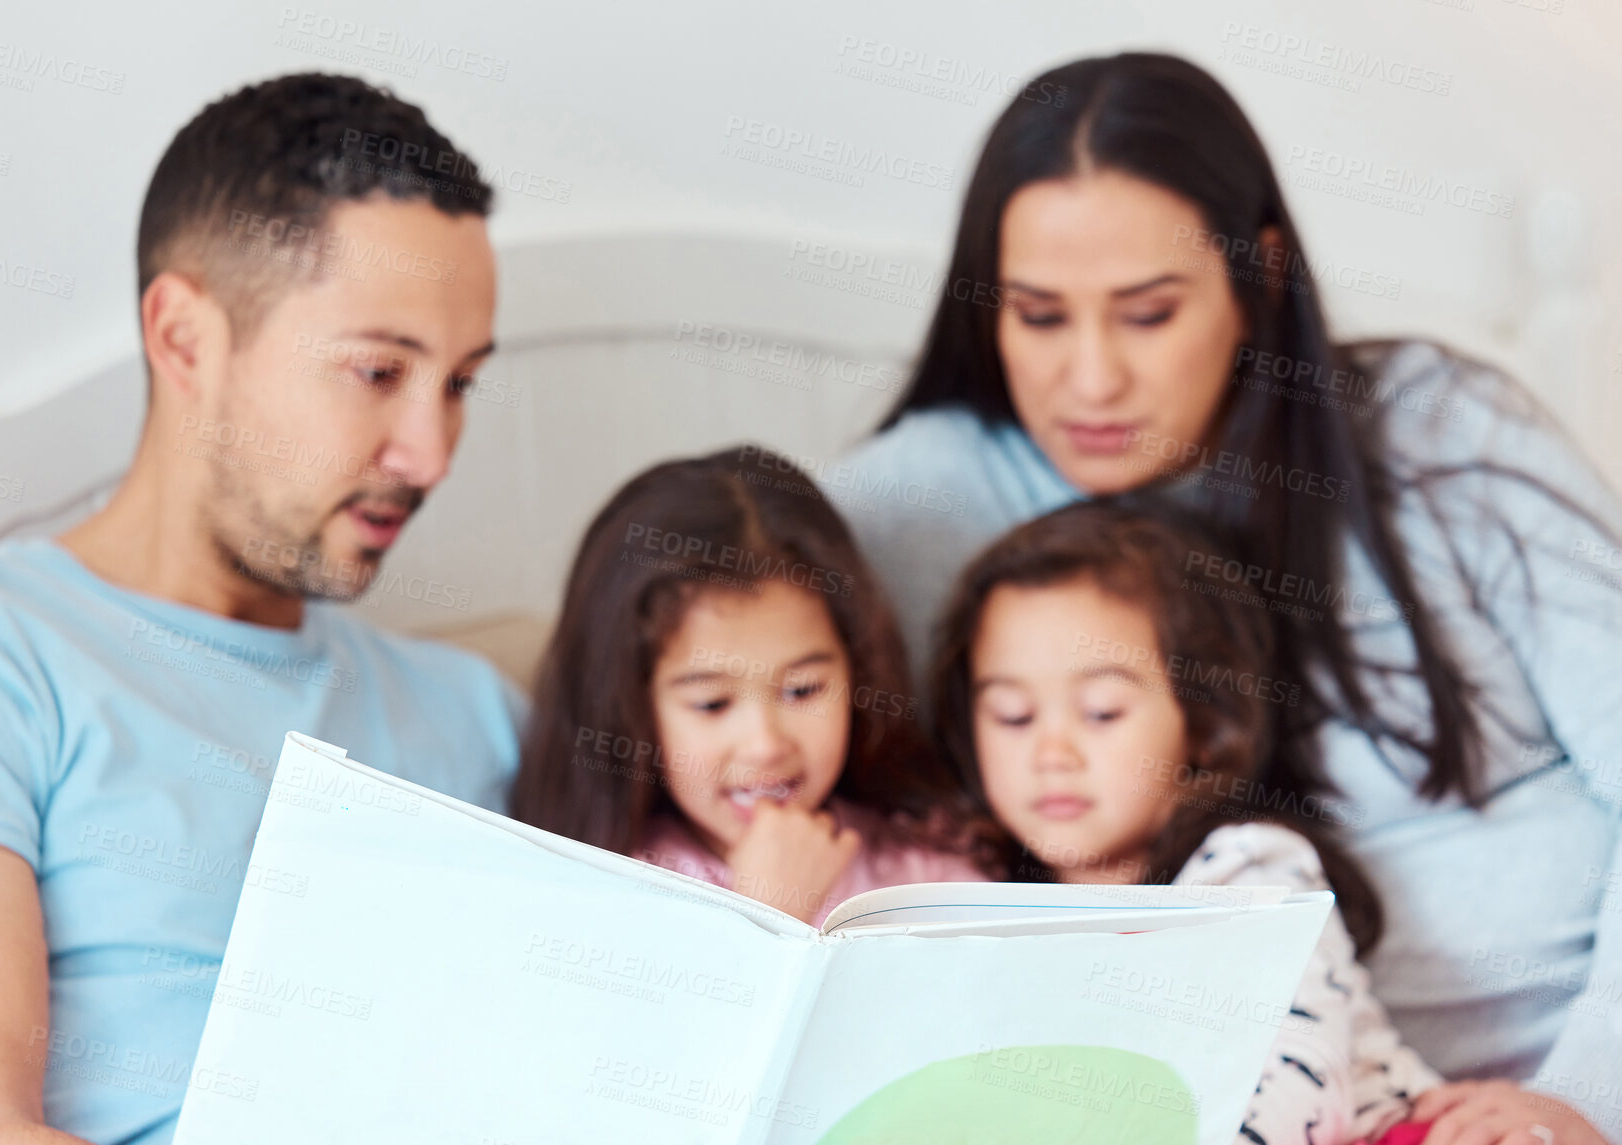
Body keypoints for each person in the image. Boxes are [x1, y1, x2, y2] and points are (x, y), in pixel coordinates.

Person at [827, 51, 1622, 1143]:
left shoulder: (1442, 433)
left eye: (1149, 313)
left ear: (1259, 276)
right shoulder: (921, 505)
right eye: (1039, 316)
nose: (1091, 379)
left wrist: (1585, 1096)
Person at [0, 74, 521, 1145]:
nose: (431, 452)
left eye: (459, 383)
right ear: (185, 338)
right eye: (377, 371)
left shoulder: (483, 715)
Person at [930, 500, 1441, 1145]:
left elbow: (1291, 1095)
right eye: (1012, 716)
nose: (1050, 754)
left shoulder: (1251, 870)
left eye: (1101, 711)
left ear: (1203, 725)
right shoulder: (985, 904)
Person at [510, 445, 987, 926]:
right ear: (631, 708)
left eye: (802, 691)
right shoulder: (606, 891)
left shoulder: (928, 869)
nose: (766, 745)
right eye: (712, 703)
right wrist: (768, 914)